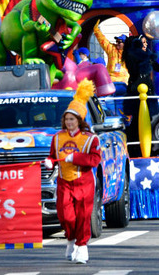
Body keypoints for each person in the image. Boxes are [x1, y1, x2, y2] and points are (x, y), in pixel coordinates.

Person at [46, 82, 102, 264]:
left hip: (84, 183)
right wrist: (49, 163)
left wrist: (76, 158)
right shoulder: (57, 137)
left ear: (79, 121)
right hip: (64, 183)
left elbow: (95, 160)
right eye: (67, 119)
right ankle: (70, 240)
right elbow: (53, 157)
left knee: (83, 216)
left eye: (73, 119)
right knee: (66, 216)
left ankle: (82, 247)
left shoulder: (90, 139)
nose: (69, 122)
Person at [122, 34, 159, 157]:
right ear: (136, 44)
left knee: (150, 119)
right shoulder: (132, 55)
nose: (145, 44)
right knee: (137, 122)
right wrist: (147, 56)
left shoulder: (146, 56)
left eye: (146, 42)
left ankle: (150, 149)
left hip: (148, 90)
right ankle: (136, 149)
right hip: (137, 90)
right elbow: (141, 66)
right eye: (143, 42)